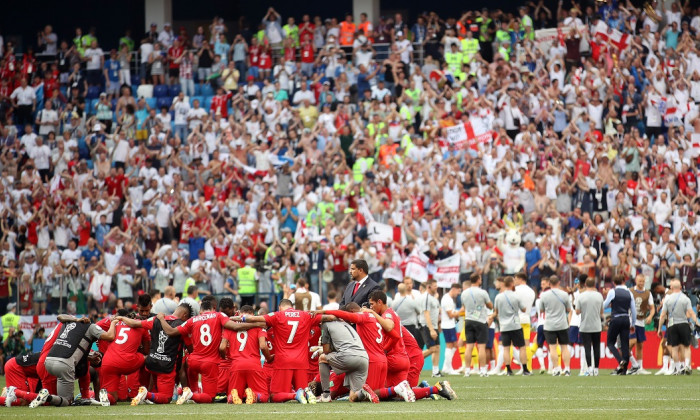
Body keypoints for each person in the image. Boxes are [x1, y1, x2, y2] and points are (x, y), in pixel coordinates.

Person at [157, 295, 264, 404]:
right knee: (210, 397)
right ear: (214, 308)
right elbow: (235, 327)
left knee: (189, 370)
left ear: (200, 311)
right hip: (210, 363)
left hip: (193, 361)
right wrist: (255, 324)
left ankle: (185, 390)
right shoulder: (218, 316)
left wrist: (161, 319)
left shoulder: (193, 320)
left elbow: (170, 331)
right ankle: (191, 394)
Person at [233, 299, 324, 403]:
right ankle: (304, 393)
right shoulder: (305, 316)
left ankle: (294, 395)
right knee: (300, 391)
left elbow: (262, 344)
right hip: (302, 362)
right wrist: (325, 312)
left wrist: (233, 319)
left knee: (272, 396)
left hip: (278, 363)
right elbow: (328, 319)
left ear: (280, 308)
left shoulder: (274, 319)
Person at [118, 302, 193, 405]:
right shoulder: (182, 324)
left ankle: (147, 394)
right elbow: (190, 347)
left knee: (157, 393)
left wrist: (121, 318)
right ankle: (146, 394)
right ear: (185, 315)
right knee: (166, 398)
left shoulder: (155, 319)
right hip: (166, 367)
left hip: (152, 362)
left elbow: (134, 323)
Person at [41, 317, 117, 406]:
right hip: (64, 364)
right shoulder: (92, 327)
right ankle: (48, 397)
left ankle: (49, 397)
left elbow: (60, 317)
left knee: (62, 398)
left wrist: (75, 319)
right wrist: (113, 323)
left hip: (48, 361)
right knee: (67, 402)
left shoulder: (69, 323)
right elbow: (110, 336)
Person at [220, 305, 272, 404]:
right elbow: (263, 346)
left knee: (233, 395)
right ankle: (254, 395)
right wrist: (269, 358)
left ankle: (232, 397)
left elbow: (222, 347)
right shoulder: (259, 326)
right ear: (253, 315)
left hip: (236, 364)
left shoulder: (230, 327)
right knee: (264, 396)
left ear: (240, 314)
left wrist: (225, 357)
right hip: (253, 364)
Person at [317, 318, 375, 403]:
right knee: (352, 398)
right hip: (364, 357)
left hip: (349, 357)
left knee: (322, 358)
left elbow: (326, 351)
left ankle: (326, 395)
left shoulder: (326, 325)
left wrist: (321, 348)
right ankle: (362, 393)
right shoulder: (346, 324)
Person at [489, 276, 530, 376]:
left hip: (504, 326)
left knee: (506, 348)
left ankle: (508, 370)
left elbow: (496, 311)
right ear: (511, 284)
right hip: (515, 325)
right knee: (522, 347)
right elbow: (524, 309)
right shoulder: (516, 296)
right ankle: (525, 369)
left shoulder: (498, 297)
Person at [657, 279, 698, 375]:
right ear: (680, 287)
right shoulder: (686, 299)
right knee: (686, 347)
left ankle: (678, 368)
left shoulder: (667, 299)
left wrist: (659, 328)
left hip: (672, 325)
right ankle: (687, 365)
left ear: (671, 287)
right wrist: (697, 322)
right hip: (683, 324)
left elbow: (662, 315)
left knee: (674, 348)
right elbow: (691, 313)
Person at [538, 275, 572, 376]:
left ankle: (557, 369)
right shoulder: (564, 294)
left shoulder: (544, 295)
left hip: (549, 325)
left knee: (552, 348)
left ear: (549, 284)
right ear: (559, 283)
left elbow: (541, 310)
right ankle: (567, 369)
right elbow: (569, 309)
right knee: (564, 347)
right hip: (562, 324)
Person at [603, 275, 636, 375]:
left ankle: (620, 360)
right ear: (623, 281)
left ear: (614, 283)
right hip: (626, 318)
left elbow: (604, 305)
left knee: (610, 343)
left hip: (616, 318)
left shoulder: (612, 292)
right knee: (625, 345)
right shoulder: (629, 293)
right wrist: (633, 323)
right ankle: (624, 370)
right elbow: (633, 310)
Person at [462, 273, 493, 377]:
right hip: (480, 321)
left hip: (468, 320)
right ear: (479, 280)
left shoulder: (464, 293)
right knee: (481, 347)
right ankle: (483, 370)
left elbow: (463, 306)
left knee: (469, 346)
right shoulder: (483, 292)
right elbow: (490, 305)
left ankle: (467, 370)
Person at [575, 276, 604, 376]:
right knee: (596, 347)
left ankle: (590, 368)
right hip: (596, 325)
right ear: (594, 285)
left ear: (585, 284)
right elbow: (602, 311)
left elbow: (577, 311)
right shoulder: (599, 295)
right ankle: (596, 369)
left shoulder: (581, 296)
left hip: (585, 325)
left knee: (587, 347)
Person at [628, 274, 654, 375]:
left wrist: (650, 316)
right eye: (640, 281)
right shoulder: (630, 291)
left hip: (641, 321)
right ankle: (626, 363)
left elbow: (652, 308)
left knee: (640, 345)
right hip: (631, 321)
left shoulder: (648, 293)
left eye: (643, 281)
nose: (641, 283)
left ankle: (639, 367)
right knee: (631, 343)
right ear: (636, 281)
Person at [513, 273, 535, 372]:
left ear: (520, 279)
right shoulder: (531, 291)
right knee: (526, 345)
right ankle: (528, 368)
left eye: (515, 279)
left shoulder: (515, 290)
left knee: (509, 344)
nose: (514, 281)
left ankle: (507, 369)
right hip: (526, 318)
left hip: (516, 318)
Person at [420, 279, 441, 377]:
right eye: (434, 286)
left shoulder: (433, 298)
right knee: (432, 349)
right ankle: (413, 361)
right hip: (427, 326)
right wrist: (431, 329)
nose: (436, 287)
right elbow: (426, 314)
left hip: (434, 326)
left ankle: (435, 371)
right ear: (429, 287)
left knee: (437, 348)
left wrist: (437, 326)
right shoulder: (426, 297)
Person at [439, 284, 461, 374]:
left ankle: (446, 366)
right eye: (458, 291)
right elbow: (450, 315)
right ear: (454, 289)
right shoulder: (447, 299)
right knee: (450, 345)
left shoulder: (450, 299)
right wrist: (461, 311)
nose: (458, 293)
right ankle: (449, 368)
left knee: (454, 345)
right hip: (447, 325)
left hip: (450, 325)